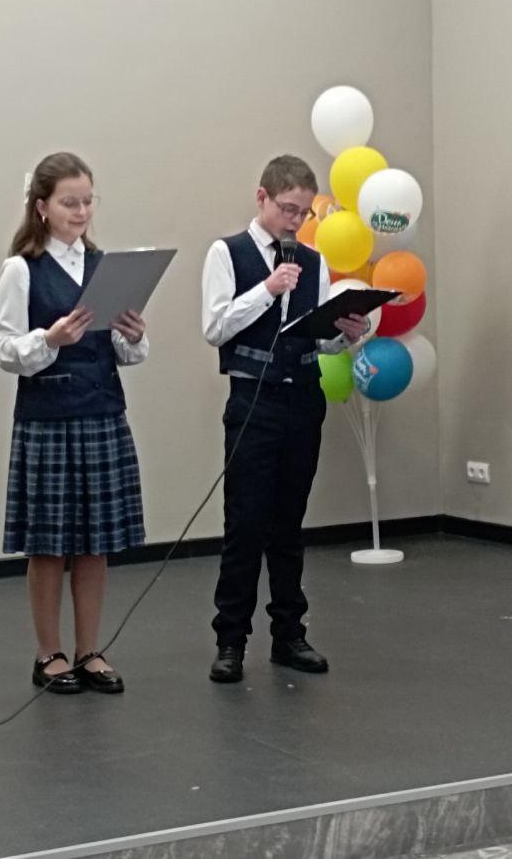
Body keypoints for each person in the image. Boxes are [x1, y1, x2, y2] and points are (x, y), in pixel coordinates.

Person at [200, 154, 370, 683]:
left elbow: (314, 338)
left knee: (289, 524)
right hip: (253, 400)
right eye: (288, 209)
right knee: (245, 523)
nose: (295, 221)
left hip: (302, 400)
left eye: (303, 213)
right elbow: (215, 327)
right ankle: (231, 639)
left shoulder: (314, 262)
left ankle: (289, 633)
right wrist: (267, 289)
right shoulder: (227, 253)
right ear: (262, 198)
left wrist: (345, 333)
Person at [0, 151, 149, 694]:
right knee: (49, 544)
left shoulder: (106, 267)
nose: (81, 212)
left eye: (87, 201)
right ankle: (49, 653)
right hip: (49, 420)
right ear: (42, 206)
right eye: (69, 203)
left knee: (94, 542)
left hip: (102, 412)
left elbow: (123, 351)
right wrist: (49, 340)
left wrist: (132, 334)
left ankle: (89, 650)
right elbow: (4, 349)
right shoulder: (22, 269)